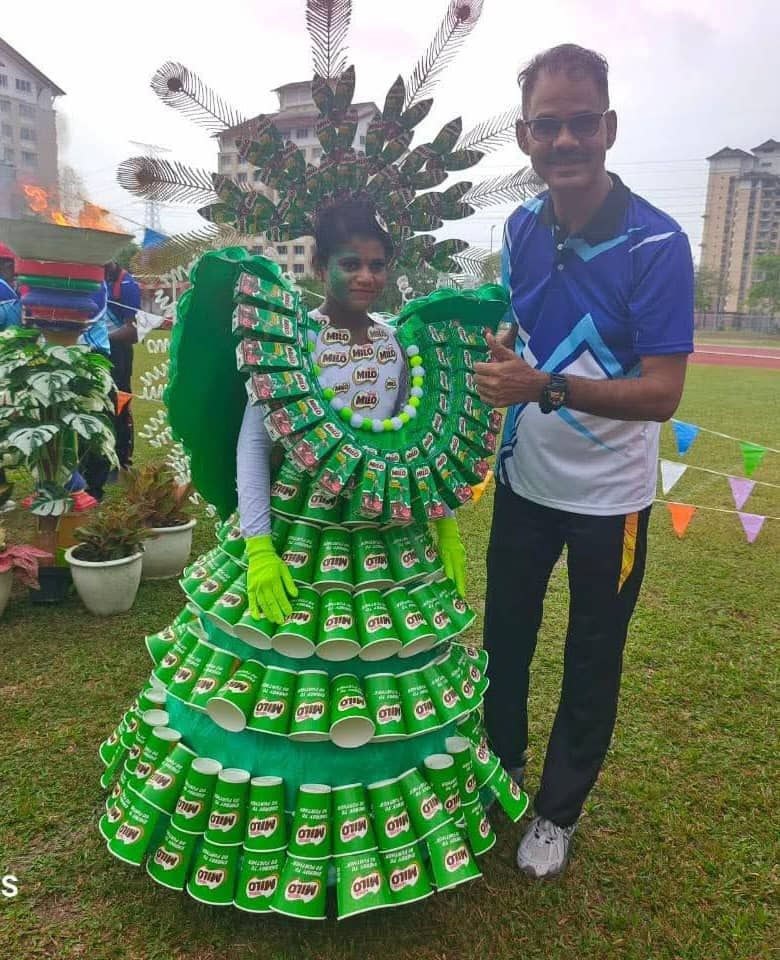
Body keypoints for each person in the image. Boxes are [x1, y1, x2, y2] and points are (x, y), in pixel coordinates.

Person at [475, 43, 694, 879]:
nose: (564, 140)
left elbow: (663, 393)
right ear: (525, 136)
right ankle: (501, 769)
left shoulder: (657, 242)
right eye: (546, 125)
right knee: (505, 639)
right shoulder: (519, 228)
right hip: (525, 482)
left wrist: (543, 386)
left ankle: (557, 812)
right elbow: (518, 331)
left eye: (580, 122)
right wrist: (500, 359)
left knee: (592, 655)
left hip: (614, 500)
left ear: (609, 126)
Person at [237, 198, 467, 622]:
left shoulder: (402, 343)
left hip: (389, 528)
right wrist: (259, 547)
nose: (366, 276)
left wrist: (445, 525)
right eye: (350, 264)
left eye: (377, 266)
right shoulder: (288, 340)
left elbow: (422, 445)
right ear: (321, 268)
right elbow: (253, 443)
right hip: (298, 527)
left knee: (389, 640)